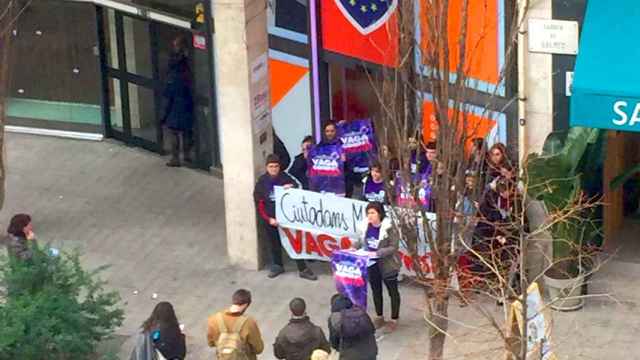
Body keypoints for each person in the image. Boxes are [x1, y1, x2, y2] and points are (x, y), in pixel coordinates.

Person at [253, 154, 317, 280]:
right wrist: (268, 219)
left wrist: (291, 187)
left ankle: (302, 268)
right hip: (271, 220)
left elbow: (300, 187)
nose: (274, 169)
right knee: (274, 243)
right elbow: (259, 204)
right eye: (271, 167)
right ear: (267, 167)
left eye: (276, 166)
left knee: (295, 242)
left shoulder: (286, 178)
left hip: (288, 219)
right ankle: (277, 265)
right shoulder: (262, 182)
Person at [353, 202, 401, 333]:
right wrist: (354, 247)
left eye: (373, 213)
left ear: (380, 214)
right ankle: (379, 316)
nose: (370, 216)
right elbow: (362, 241)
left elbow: (393, 246)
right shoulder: (365, 226)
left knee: (393, 292)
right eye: (368, 213)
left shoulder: (389, 227)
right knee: (376, 290)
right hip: (371, 264)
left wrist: (378, 253)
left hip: (388, 264)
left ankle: (394, 319)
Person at [163, 36, 194, 167]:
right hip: (187, 105)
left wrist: (164, 113)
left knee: (174, 132)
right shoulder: (187, 68)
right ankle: (187, 156)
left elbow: (168, 95)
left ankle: (175, 158)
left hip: (176, 107)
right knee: (186, 132)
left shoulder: (174, 74)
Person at [207, 289, 264, 360]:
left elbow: (210, 343)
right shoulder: (249, 323)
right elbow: (259, 349)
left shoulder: (213, 319)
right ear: (246, 304)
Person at [328, 294, 377, 360]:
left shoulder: (335, 319)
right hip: (370, 353)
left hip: (349, 356)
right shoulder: (361, 313)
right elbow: (372, 330)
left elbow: (334, 342)